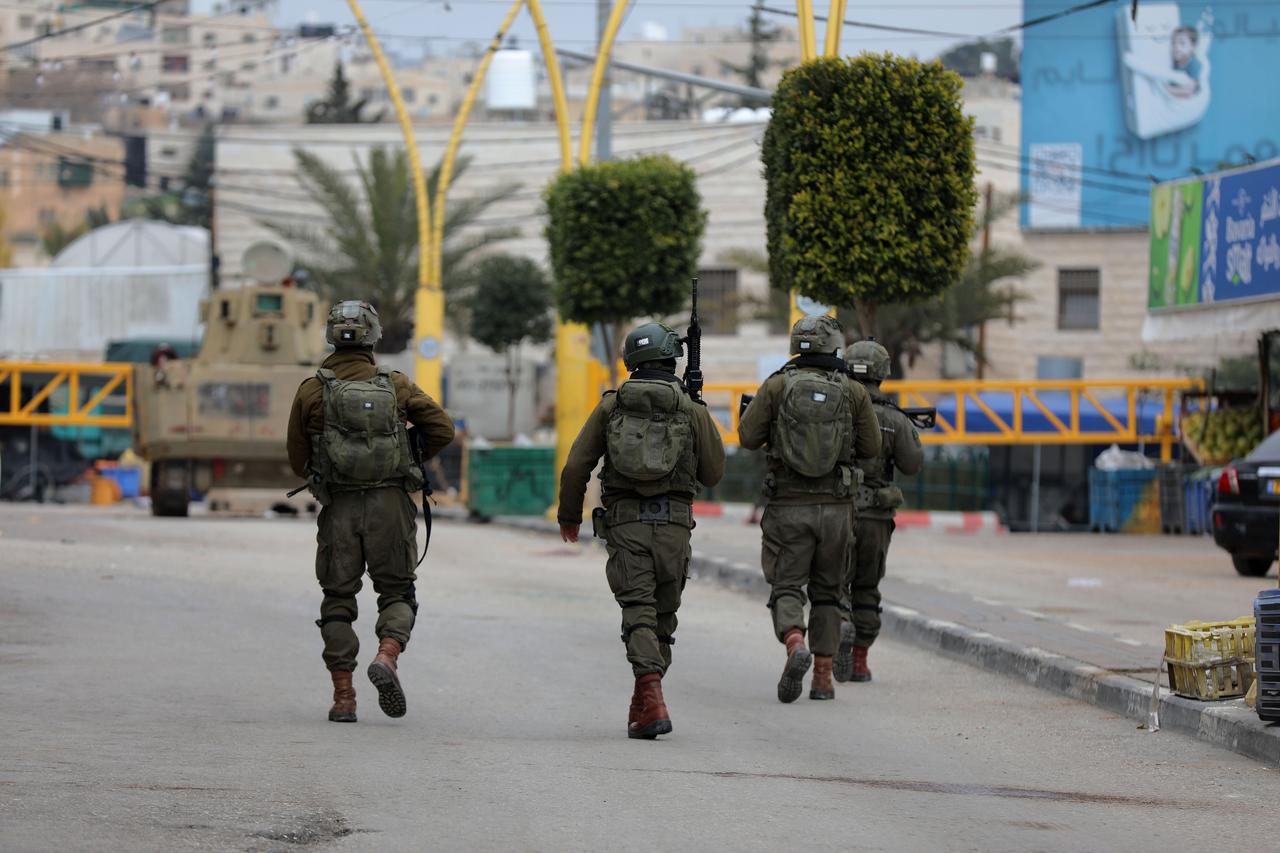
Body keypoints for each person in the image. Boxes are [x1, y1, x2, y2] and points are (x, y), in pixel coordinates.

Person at [286, 300, 455, 723]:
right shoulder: (395, 385)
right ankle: (388, 655)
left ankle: (344, 698)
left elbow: (296, 456)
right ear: (374, 336)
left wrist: (326, 470)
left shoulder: (312, 388)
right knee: (397, 592)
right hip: (390, 505)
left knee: (338, 599)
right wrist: (409, 459)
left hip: (340, 506)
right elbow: (442, 429)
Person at [558, 322, 725, 739]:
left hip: (627, 523)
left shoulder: (611, 406)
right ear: (674, 358)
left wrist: (569, 515)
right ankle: (650, 698)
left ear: (631, 359)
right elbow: (714, 473)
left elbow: (578, 464)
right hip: (674, 525)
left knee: (638, 611)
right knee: (662, 614)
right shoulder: (690, 408)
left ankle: (648, 696)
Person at [738, 316, 880, 703]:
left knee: (786, 586)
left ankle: (794, 640)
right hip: (837, 509)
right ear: (834, 346)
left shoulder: (777, 385)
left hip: (787, 506)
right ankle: (822, 676)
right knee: (829, 592)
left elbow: (747, 437)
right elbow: (870, 449)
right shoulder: (852, 390)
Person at [834, 339, 924, 684]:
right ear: (883, 373)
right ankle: (859, 659)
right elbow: (912, 464)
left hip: (837, 509)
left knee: (834, 583)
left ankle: (840, 627)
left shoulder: (835, 409)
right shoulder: (893, 418)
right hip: (875, 516)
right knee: (867, 586)